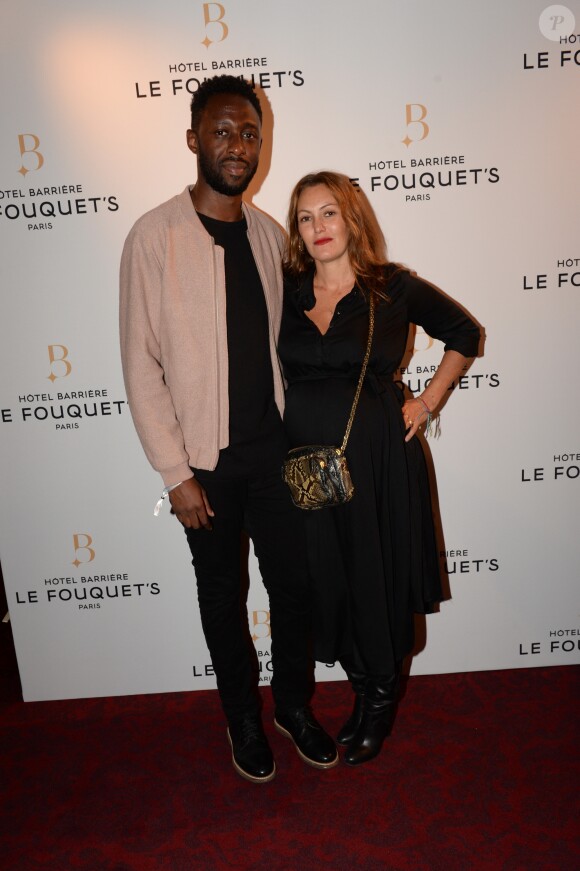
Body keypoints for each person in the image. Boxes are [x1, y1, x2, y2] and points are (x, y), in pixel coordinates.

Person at [119, 77, 337, 784]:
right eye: (222, 131)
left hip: (276, 456)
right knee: (222, 597)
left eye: (249, 132)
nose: (238, 145)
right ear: (193, 140)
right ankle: (242, 716)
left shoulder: (272, 235)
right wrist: (174, 472)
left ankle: (293, 707)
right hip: (204, 467)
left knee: (294, 589)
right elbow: (139, 361)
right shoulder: (154, 238)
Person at [279, 171, 481, 766]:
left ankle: (378, 699)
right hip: (306, 470)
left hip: (375, 460)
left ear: (352, 219)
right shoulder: (287, 291)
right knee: (328, 578)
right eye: (305, 218)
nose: (317, 228)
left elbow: (465, 333)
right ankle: (361, 683)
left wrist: (427, 401)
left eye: (329, 214)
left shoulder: (392, 287)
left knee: (375, 574)